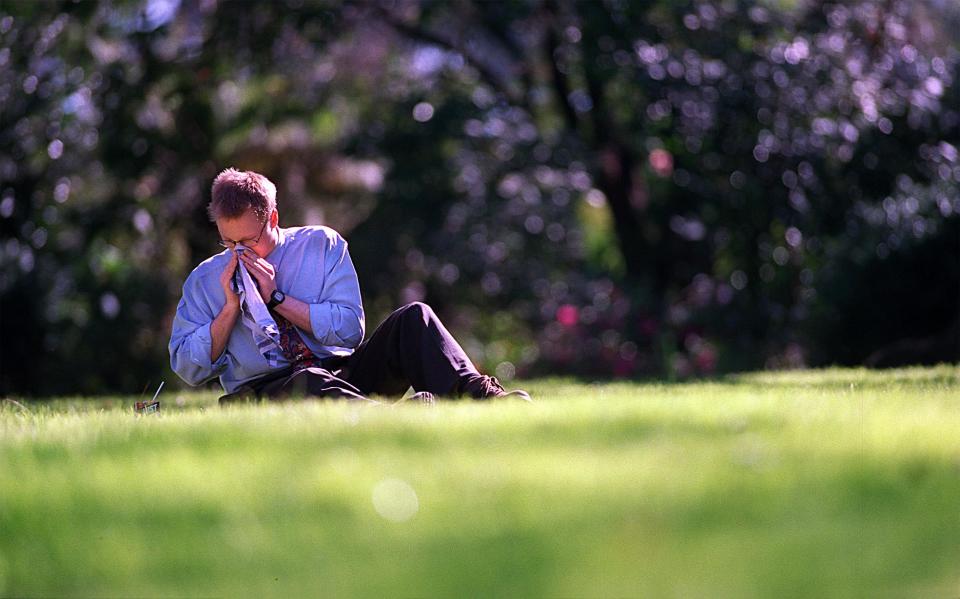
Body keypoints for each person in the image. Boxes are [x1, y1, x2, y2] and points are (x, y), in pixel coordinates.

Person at [169, 168, 530, 404]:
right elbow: (188, 369)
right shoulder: (204, 281)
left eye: (248, 241)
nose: (239, 253)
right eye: (229, 244)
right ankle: (390, 418)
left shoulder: (322, 245)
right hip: (265, 389)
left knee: (414, 317)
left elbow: (349, 332)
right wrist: (229, 311)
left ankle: (482, 398)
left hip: (341, 372)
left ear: (273, 219)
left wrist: (277, 298)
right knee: (304, 379)